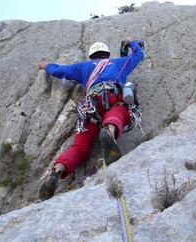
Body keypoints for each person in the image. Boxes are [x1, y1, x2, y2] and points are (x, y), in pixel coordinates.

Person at [38, 37, 144, 200]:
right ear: (106, 54)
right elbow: (138, 55)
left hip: (90, 107)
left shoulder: (82, 67)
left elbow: (60, 71)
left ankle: (57, 171)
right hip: (112, 98)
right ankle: (109, 132)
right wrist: (131, 42)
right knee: (119, 112)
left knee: (79, 147)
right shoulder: (117, 63)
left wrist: (45, 66)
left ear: (91, 55)